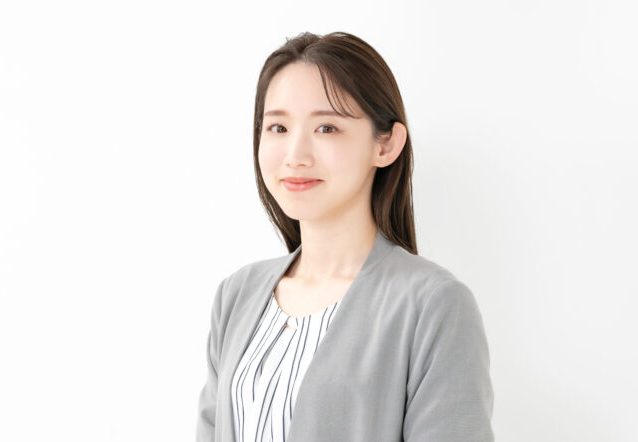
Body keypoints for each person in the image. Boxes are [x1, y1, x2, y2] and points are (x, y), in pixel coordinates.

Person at [195, 31, 494, 442]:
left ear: (386, 145)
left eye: (327, 128)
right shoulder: (236, 296)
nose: (295, 155)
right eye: (278, 127)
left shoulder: (434, 305)